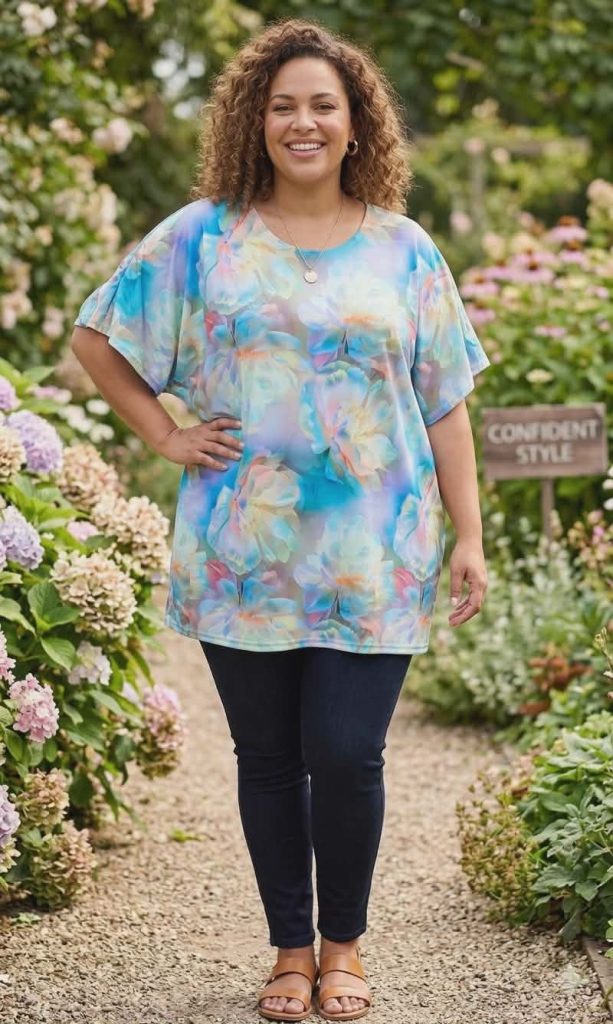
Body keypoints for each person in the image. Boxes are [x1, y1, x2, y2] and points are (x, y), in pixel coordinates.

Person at [70, 17, 490, 1023]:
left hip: (372, 554)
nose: (303, 122)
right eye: (283, 105)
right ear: (255, 122)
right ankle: (290, 952)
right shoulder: (201, 236)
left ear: (356, 125)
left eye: (323, 106)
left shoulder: (404, 250)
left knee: (345, 751)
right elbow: (97, 337)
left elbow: (444, 399)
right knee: (266, 761)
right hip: (241, 552)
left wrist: (469, 534)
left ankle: (345, 946)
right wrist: (165, 435)